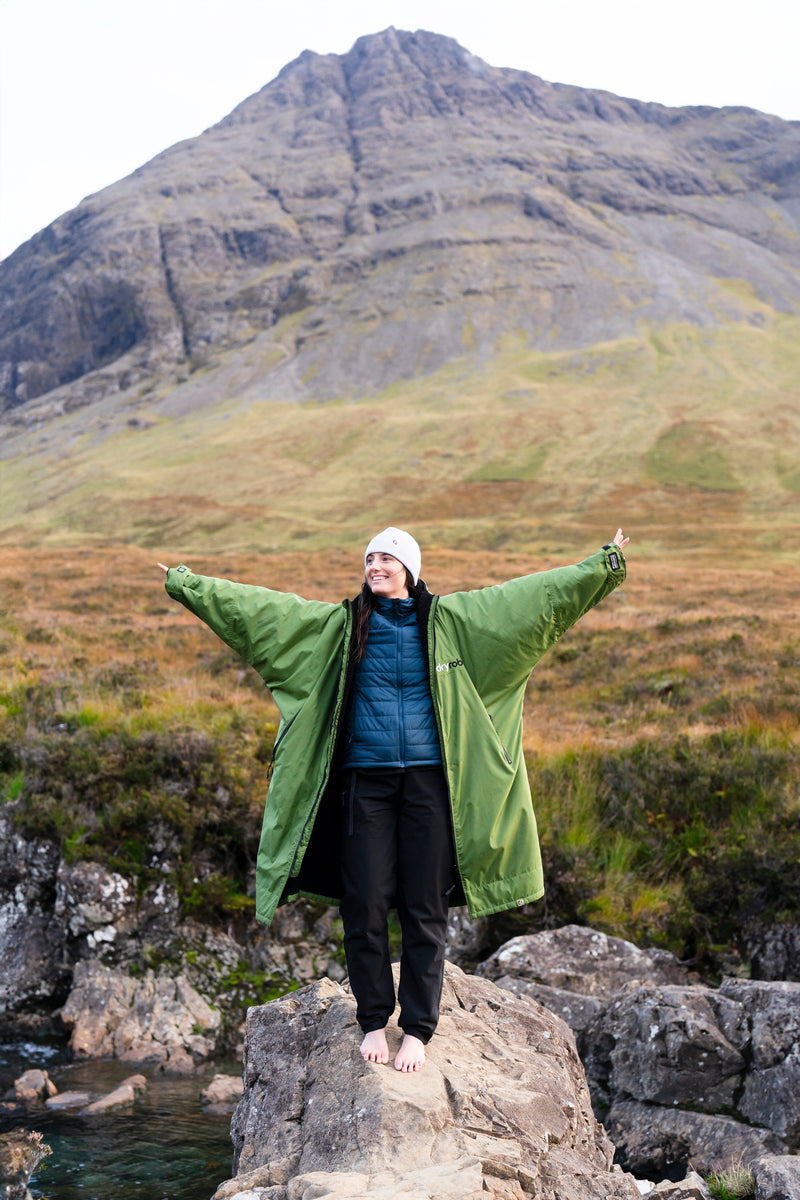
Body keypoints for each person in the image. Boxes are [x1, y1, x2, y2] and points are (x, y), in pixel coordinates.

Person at [158, 525, 628, 1072]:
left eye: (387, 558)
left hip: (429, 785)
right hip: (366, 784)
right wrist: (188, 586)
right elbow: (260, 614)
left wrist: (602, 566)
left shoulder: (452, 623)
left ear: (410, 568)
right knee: (364, 905)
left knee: (424, 908)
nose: (375, 566)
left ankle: (419, 1030)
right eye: (370, 558)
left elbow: (532, 602)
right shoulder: (338, 627)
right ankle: (373, 1020)